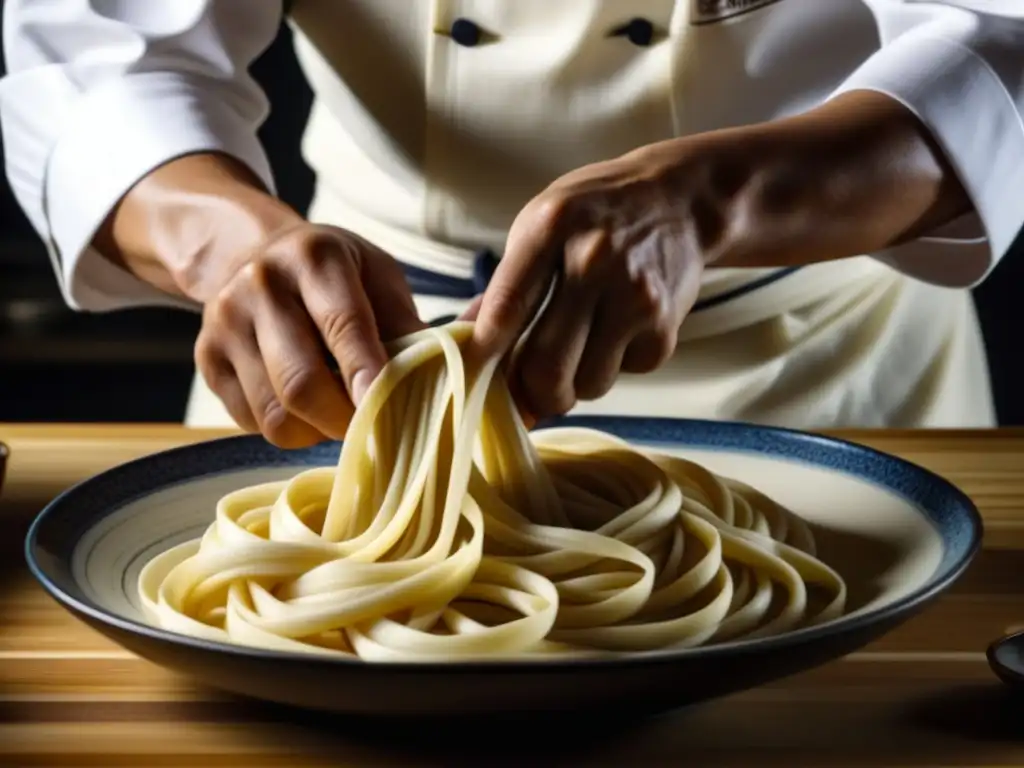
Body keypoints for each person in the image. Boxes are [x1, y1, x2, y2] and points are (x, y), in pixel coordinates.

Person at [2, 1, 1022, 448]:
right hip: (344, 369)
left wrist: (716, 199)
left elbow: (1000, 42)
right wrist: (241, 252)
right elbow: (106, 60)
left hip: (822, 368)